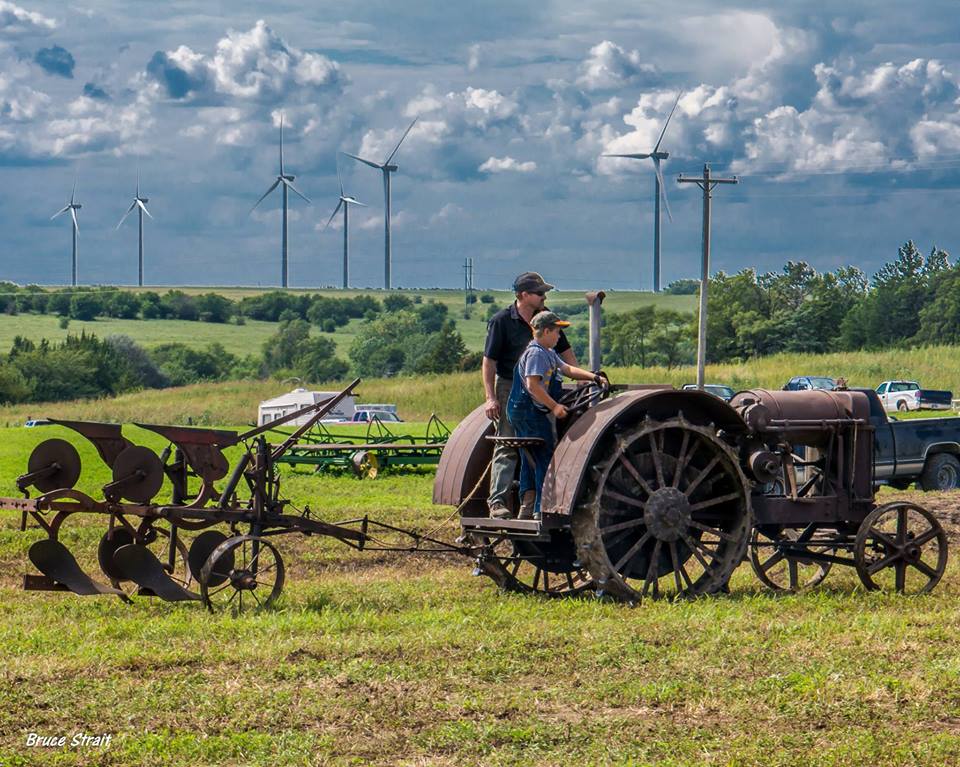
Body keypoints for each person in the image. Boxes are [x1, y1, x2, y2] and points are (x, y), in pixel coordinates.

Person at [483, 272, 577, 518]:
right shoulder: (502, 321)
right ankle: (498, 502)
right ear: (524, 295)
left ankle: (534, 501)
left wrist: (580, 381)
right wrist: (490, 397)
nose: (544, 296)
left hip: (543, 387)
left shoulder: (546, 322)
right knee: (508, 442)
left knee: (540, 444)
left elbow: (566, 355)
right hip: (510, 388)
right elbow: (489, 362)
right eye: (539, 293)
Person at [507, 311, 607, 520]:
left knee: (530, 457)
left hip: (526, 411)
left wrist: (593, 377)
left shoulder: (547, 352)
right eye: (557, 332)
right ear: (545, 331)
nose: (559, 337)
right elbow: (533, 385)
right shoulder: (536, 354)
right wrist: (554, 407)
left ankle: (528, 506)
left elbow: (567, 368)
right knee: (546, 456)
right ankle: (541, 509)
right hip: (528, 411)